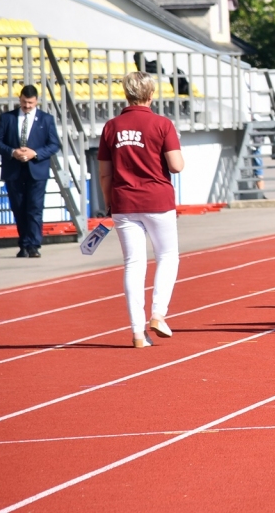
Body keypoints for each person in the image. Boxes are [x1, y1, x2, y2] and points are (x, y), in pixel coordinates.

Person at [97, 72, 184, 347]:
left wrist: (109, 203)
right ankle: (158, 314)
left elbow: (104, 174)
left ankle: (137, 332)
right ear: (151, 94)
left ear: (126, 93)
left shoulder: (111, 127)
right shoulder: (161, 124)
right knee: (167, 256)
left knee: (133, 264)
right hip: (157, 200)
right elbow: (176, 165)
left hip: (123, 202)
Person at [0, 85, 60, 258]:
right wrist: (13, 152)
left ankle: (33, 245)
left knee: (35, 208)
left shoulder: (46, 119)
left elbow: (54, 144)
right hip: (14, 170)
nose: (27, 106)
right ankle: (23, 244)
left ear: (36, 101)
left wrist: (35, 154)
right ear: (19, 99)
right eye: (24, 102)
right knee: (19, 208)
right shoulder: (7, 118)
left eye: (30, 102)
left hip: (36, 171)